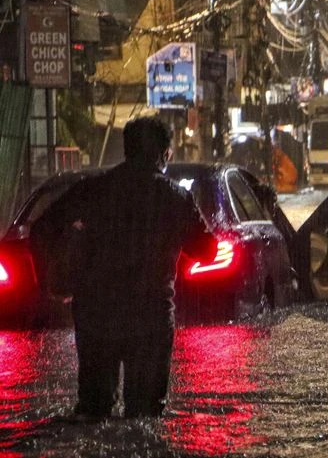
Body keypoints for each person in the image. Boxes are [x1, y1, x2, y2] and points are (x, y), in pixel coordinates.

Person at [31, 116, 216, 421]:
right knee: (144, 417)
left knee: (92, 412)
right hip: (150, 318)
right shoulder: (175, 198)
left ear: (127, 150)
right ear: (164, 154)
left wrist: (49, 283)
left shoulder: (92, 189)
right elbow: (206, 250)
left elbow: (41, 229)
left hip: (95, 314)